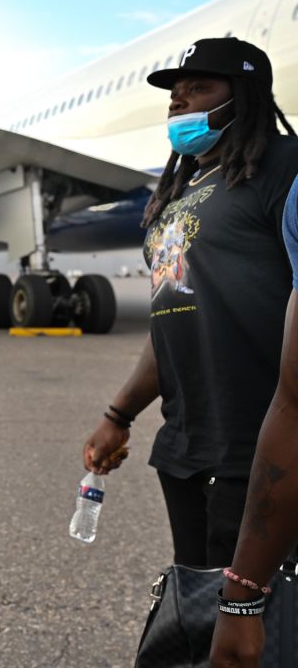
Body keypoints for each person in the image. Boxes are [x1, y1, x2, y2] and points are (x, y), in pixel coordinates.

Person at [82, 37, 298, 569]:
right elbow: (171, 315)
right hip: (186, 449)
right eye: (175, 93)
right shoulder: (174, 195)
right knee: (198, 611)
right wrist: (120, 413)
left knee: (261, 625)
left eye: (199, 87)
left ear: (244, 95)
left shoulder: (286, 167)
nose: (180, 101)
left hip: (266, 452)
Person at [208, 181, 298, 667]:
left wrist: (241, 600)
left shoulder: (276, 175)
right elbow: (179, 297)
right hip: (199, 441)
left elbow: (296, 402)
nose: (178, 102)